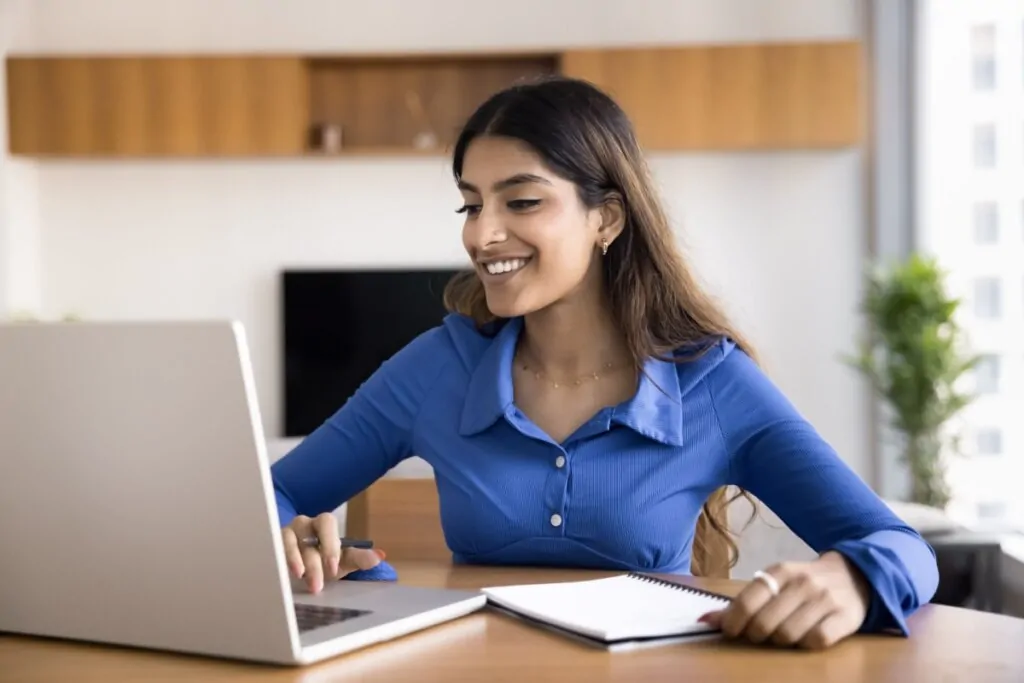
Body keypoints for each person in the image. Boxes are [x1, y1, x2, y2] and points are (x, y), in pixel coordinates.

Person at [270, 76, 938, 650]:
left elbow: (897, 544)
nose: (481, 233)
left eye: (521, 201)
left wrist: (852, 578)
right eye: (471, 204)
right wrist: (289, 538)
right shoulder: (439, 366)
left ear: (607, 218)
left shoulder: (711, 380)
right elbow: (276, 492)